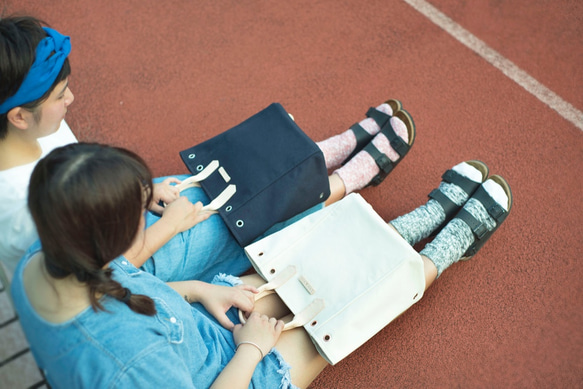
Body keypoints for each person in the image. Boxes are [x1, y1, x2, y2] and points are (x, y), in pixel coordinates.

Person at [11, 143, 512, 388]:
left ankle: (405, 228)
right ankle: (442, 249)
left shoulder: (44, 261)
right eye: (138, 219)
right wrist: (250, 352)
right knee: (344, 306)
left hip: (186, 330)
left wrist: (195, 289)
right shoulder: (128, 368)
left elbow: (127, 278)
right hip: (231, 373)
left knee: (300, 264)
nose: (149, 225)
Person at [0, 15, 416, 281]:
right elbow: (105, 270)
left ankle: (323, 154)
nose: (71, 100)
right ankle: (349, 179)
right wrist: (171, 225)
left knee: (226, 171)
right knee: (251, 212)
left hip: (113, 217)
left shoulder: (27, 127)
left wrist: (142, 189)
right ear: (19, 115)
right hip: (128, 264)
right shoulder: (18, 207)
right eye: (61, 95)